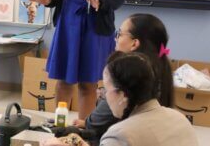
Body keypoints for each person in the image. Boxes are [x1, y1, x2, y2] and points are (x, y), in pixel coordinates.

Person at [44, 52, 197, 146]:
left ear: (122, 95)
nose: (102, 95)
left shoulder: (121, 134)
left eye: (106, 90)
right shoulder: (179, 118)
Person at [71, 14, 175, 142]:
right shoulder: (160, 69)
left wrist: (91, 118)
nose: (115, 39)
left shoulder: (129, 74)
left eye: (119, 34)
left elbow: (97, 122)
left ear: (134, 43)